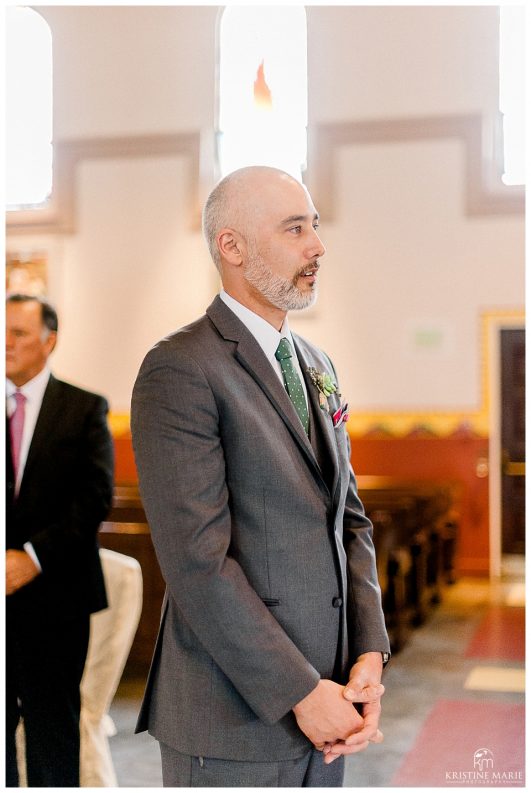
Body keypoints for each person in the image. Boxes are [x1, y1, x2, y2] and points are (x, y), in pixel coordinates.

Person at [131, 165, 390, 787]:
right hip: (233, 716)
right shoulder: (181, 367)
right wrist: (300, 691)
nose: (318, 246)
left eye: (315, 226)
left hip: (332, 696)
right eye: (295, 229)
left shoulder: (316, 362)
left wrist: (368, 653)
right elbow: (197, 561)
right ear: (233, 246)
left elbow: (349, 518)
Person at [5, 294, 114, 787]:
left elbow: (94, 499)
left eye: (18, 333)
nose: (6, 344)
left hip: (56, 595)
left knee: (53, 729)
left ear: (49, 342)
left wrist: (32, 558)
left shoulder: (84, 407)